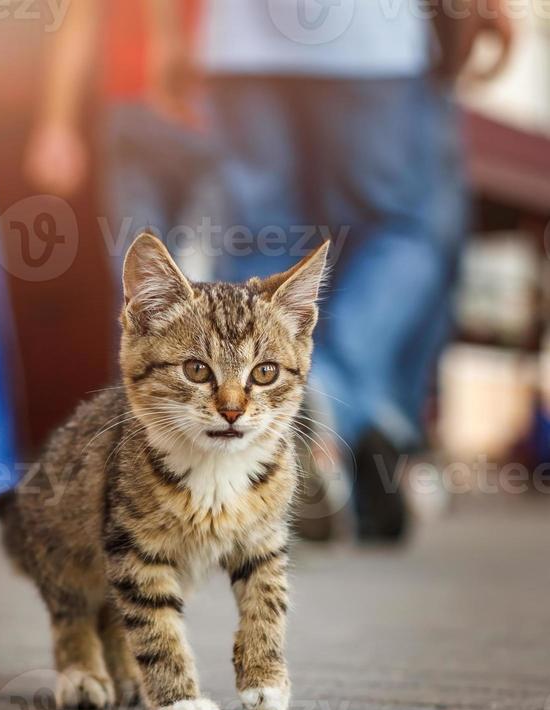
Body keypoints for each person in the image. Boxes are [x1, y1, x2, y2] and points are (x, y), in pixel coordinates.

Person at [147, 0, 514, 542]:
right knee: (401, 231)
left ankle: (297, 428)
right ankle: (334, 388)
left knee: (259, 240)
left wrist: (168, 32)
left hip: (241, 44)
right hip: (372, 43)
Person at [24, 0, 206, 330]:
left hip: (148, 105)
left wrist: (56, 125)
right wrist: (56, 125)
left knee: (141, 284)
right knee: (201, 283)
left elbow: (78, 21)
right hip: (196, 104)